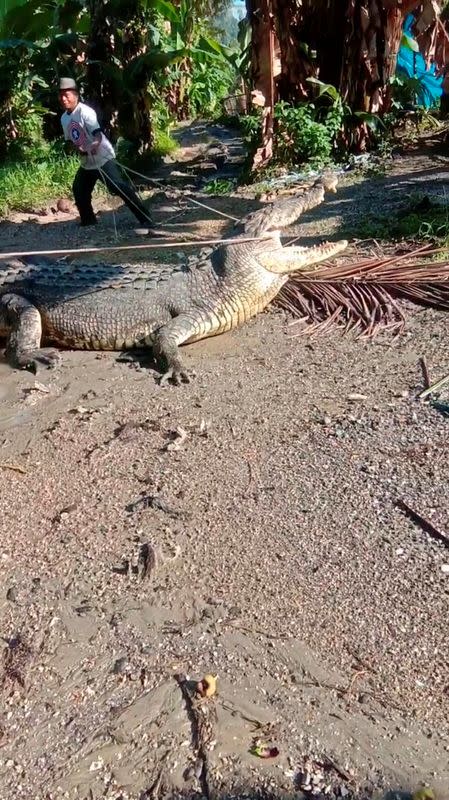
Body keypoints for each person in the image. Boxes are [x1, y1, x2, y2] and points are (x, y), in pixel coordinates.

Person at [59, 77, 155, 231]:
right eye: (61, 95)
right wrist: (79, 149)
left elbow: (98, 134)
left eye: (67, 95)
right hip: (87, 161)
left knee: (118, 186)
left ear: (75, 95)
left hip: (102, 157)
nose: (64, 99)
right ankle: (88, 220)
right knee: (79, 189)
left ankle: (145, 218)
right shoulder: (64, 118)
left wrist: (93, 145)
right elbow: (71, 140)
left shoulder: (85, 112)